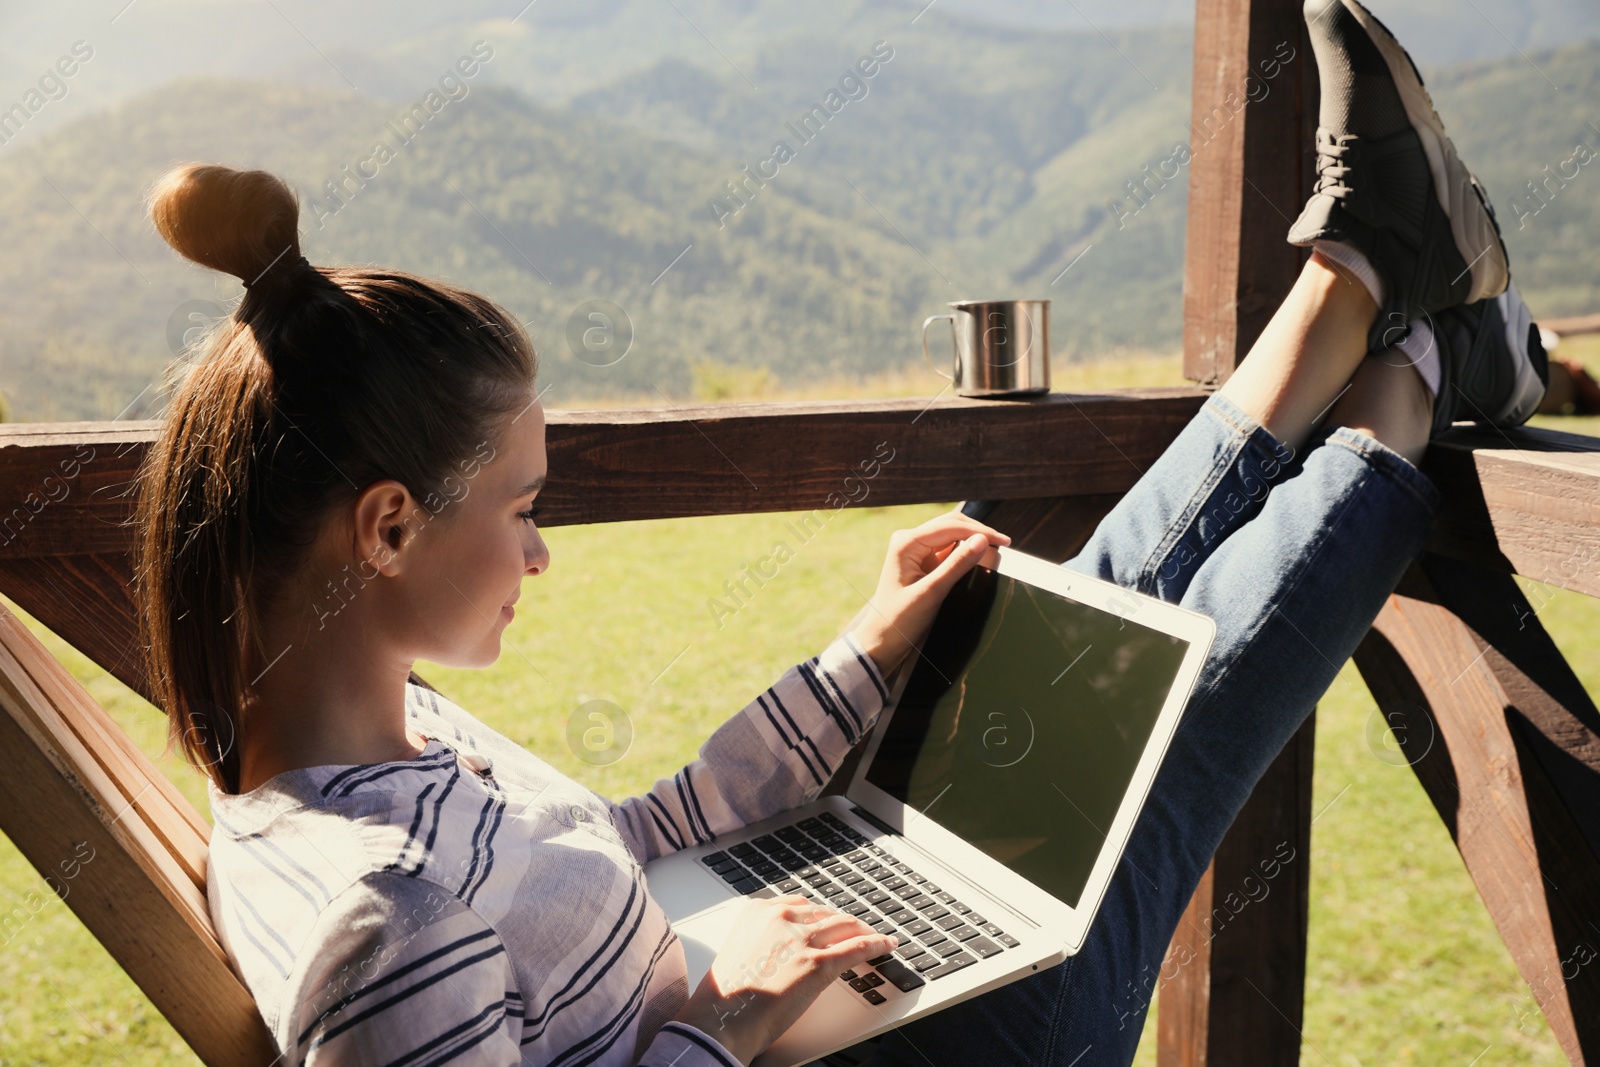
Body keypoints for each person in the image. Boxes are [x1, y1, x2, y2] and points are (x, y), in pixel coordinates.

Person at [132, 2, 1545, 1065]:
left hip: (790, 978)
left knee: (1049, 619)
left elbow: (628, 850)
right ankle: (1418, 350)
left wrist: (856, 661)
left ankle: (1373, 297)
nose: (542, 553)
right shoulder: (383, 918)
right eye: (521, 509)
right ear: (384, 530)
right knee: (1171, 722)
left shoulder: (396, 747)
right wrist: (726, 1023)